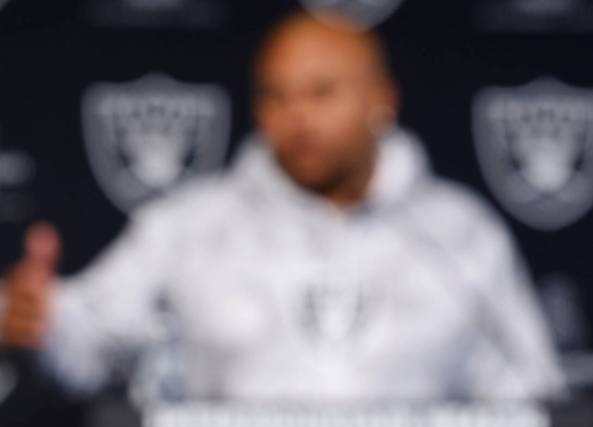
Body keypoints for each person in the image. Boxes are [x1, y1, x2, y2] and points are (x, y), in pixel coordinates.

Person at [0, 11, 563, 400]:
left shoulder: (459, 231)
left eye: (321, 93)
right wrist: (44, 320)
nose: (297, 117)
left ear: (381, 99)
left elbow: (532, 396)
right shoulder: (191, 224)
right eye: (276, 95)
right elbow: (90, 340)